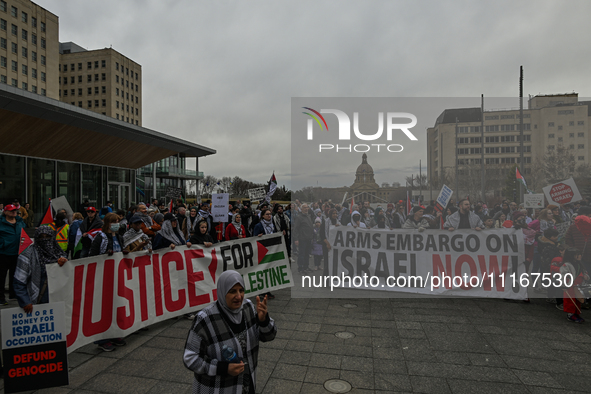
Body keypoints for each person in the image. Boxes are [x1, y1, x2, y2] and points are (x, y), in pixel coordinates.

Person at [183, 270, 276, 394]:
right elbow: (190, 358)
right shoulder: (205, 319)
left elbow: (269, 336)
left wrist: (263, 320)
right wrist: (222, 368)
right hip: (218, 389)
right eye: (232, 291)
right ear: (222, 292)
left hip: (246, 386)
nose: (239, 296)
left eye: (241, 290)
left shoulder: (248, 307)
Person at [88, 213, 128, 351]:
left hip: (116, 277)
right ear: (108, 224)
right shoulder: (101, 237)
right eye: (114, 221)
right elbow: (92, 256)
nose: (117, 223)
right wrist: (105, 255)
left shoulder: (119, 237)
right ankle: (102, 339)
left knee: (115, 305)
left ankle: (114, 333)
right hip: (103, 277)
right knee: (103, 307)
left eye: (118, 220)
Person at [14, 226, 68, 312]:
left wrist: (65, 263)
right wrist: (25, 301)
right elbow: (19, 282)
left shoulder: (59, 253)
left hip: (57, 302)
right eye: (41, 237)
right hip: (37, 303)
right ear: (36, 238)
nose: (44, 239)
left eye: (48, 236)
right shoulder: (27, 256)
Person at [0, 204, 27, 304]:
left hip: (17, 253)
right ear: (5, 212)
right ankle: (1, 297)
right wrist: (2, 244)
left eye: (15, 210)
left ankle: (13, 294)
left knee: (15, 275)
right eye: (11, 210)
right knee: (1, 276)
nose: (14, 212)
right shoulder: (1, 222)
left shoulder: (20, 222)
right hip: (3, 253)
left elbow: (25, 233)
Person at [560, 248, 589, 323]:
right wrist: (564, 285)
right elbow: (563, 275)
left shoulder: (580, 264)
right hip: (570, 285)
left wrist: (586, 276)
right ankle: (570, 314)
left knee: (577, 300)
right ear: (572, 256)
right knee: (570, 300)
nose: (580, 256)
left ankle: (576, 313)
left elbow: (584, 272)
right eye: (578, 254)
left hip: (577, 285)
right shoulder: (566, 265)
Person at [294, 204, 314, 273]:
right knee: (301, 254)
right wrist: (296, 239)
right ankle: (300, 268)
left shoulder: (308, 216)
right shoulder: (299, 217)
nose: (306, 209)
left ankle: (306, 266)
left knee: (307, 254)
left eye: (307, 207)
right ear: (301, 209)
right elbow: (296, 229)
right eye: (304, 208)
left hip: (308, 238)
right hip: (302, 239)